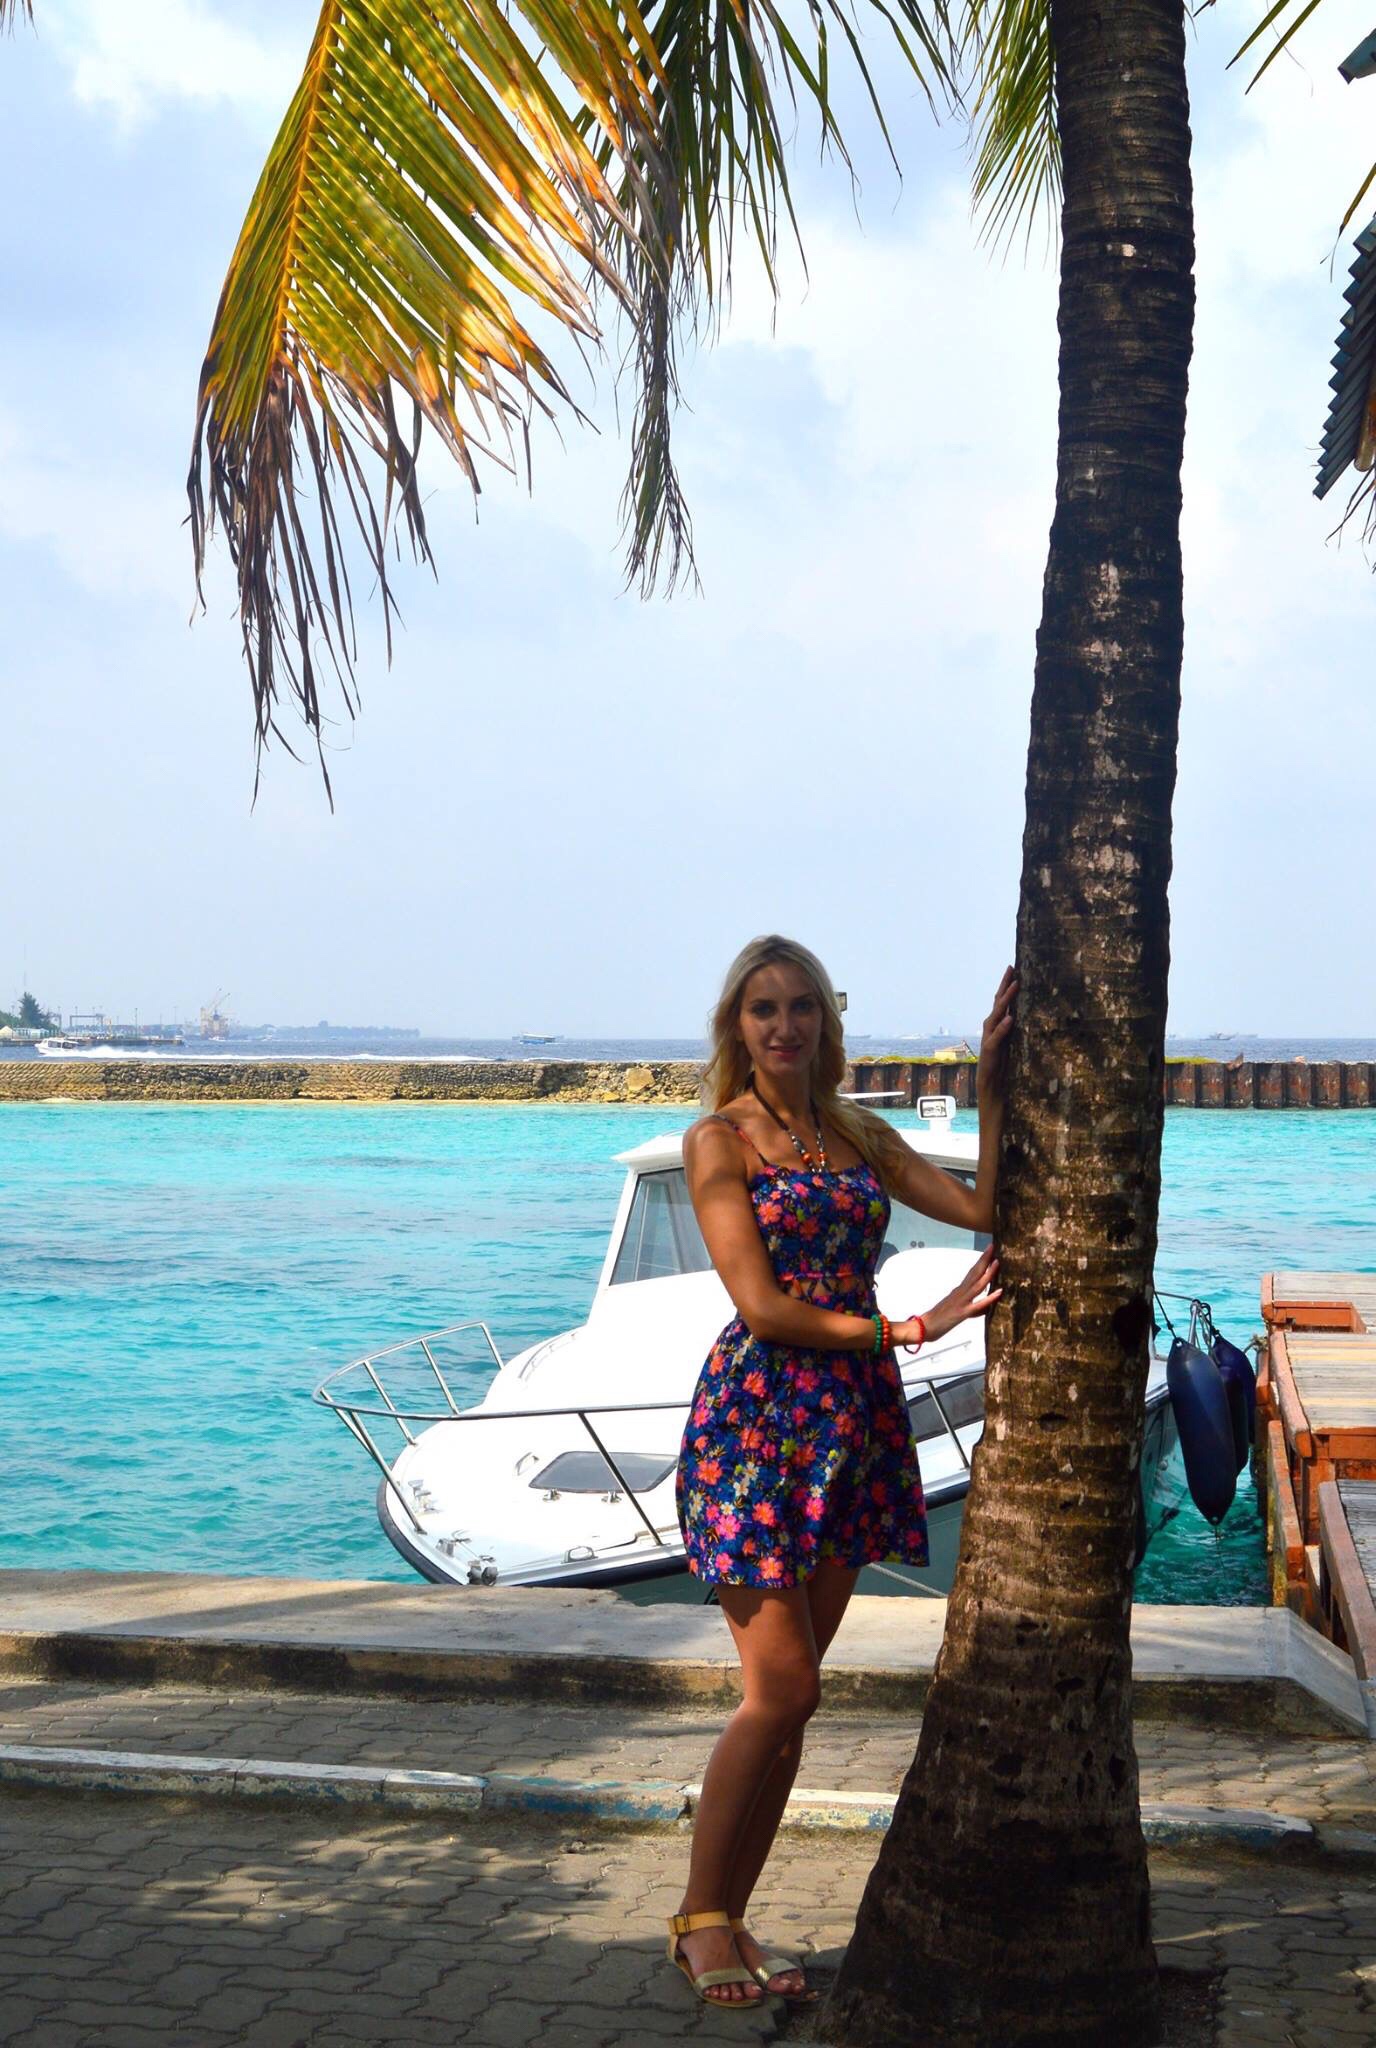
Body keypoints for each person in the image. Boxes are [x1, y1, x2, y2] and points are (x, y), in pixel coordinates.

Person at [664, 935, 1015, 2009]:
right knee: (783, 1689)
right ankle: (696, 1920)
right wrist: (908, 1325)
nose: (784, 1026)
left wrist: (991, 1081)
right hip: (758, 1427)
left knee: (793, 1707)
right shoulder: (718, 1140)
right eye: (763, 1009)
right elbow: (762, 1306)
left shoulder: (854, 1132)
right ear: (736, 1026)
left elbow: (981, 1208)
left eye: (801, 1006)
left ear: (826, 1019)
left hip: (851, 1426)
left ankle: (727, 1916)